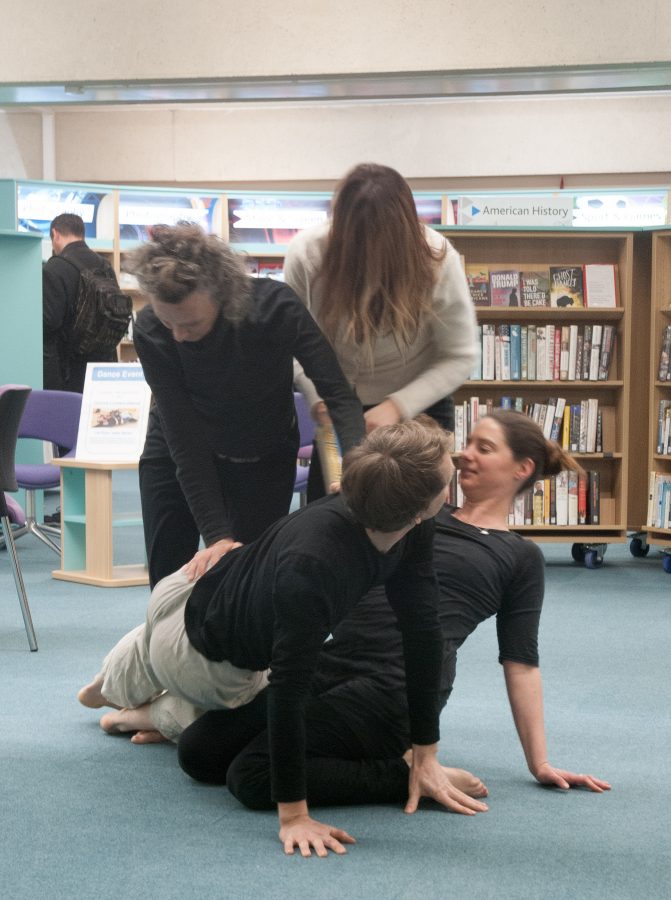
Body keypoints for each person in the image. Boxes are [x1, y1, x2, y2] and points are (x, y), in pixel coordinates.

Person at [78, 418, 484, 857]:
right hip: (197, 657)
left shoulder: (403, 518)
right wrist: (295, 815)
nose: (458, 468)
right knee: (187, 692)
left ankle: (120, 703)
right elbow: (288, 693)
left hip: (192, 593)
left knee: (195, 749)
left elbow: (422, 628)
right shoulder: (315, 568)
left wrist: (426, 752)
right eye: (449, 473)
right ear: (420, 507)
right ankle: (145, 709)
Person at [174, 410, 610, 811]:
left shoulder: (518, 556)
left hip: (397, 688)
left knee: (252, 776)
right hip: (337, 659)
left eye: (484, 447)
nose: (465, 455)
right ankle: (388, 760)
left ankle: (404, 774)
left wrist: (539, 762)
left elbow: (521, 663)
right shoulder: (413, 509)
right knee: (198, 753)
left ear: (523, 468)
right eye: (468, 442)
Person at [124, 222, 365, 588]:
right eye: (167, 320)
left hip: (262, 454)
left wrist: (358, 466)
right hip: (179, 452)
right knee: (171, 582)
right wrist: (217, 534)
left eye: (189, 323)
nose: (178, 336)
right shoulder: (151, 330)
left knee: (248, 582)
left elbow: (337, 393)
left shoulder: (275, 309)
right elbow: (184, 438)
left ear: (222, 295)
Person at [284, 162, 478, 499]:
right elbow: (290, 344)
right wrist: (318, 398)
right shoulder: (307, 254)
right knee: (331, 512)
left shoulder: (438, 259)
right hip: (336, 404)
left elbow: (459, 356)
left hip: (417, 405)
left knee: (417, 518)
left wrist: (397, 407)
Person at [42, 213, 119, 393]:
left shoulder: (54, 268)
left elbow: (49, 322)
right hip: (104, 366)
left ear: (55, 234)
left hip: (69, 371)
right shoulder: (105, 266)